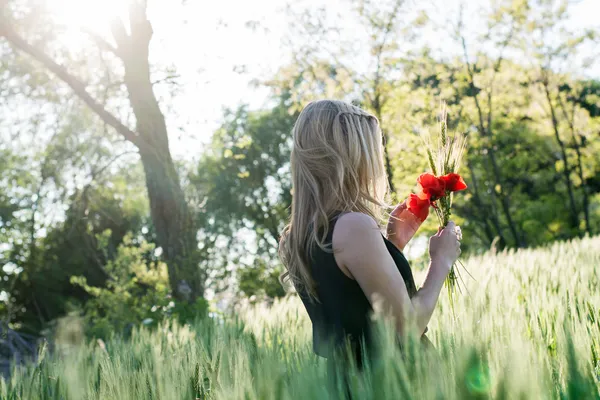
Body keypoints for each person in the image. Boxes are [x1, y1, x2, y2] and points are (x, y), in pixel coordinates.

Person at [278, 99, 461, 372]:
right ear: (351, 156)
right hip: (395, 382)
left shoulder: (293, 240)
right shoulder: (355, 227)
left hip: (350, 383)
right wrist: (442, 260)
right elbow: (407, 331)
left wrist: (392, 245)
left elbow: (353, 308)